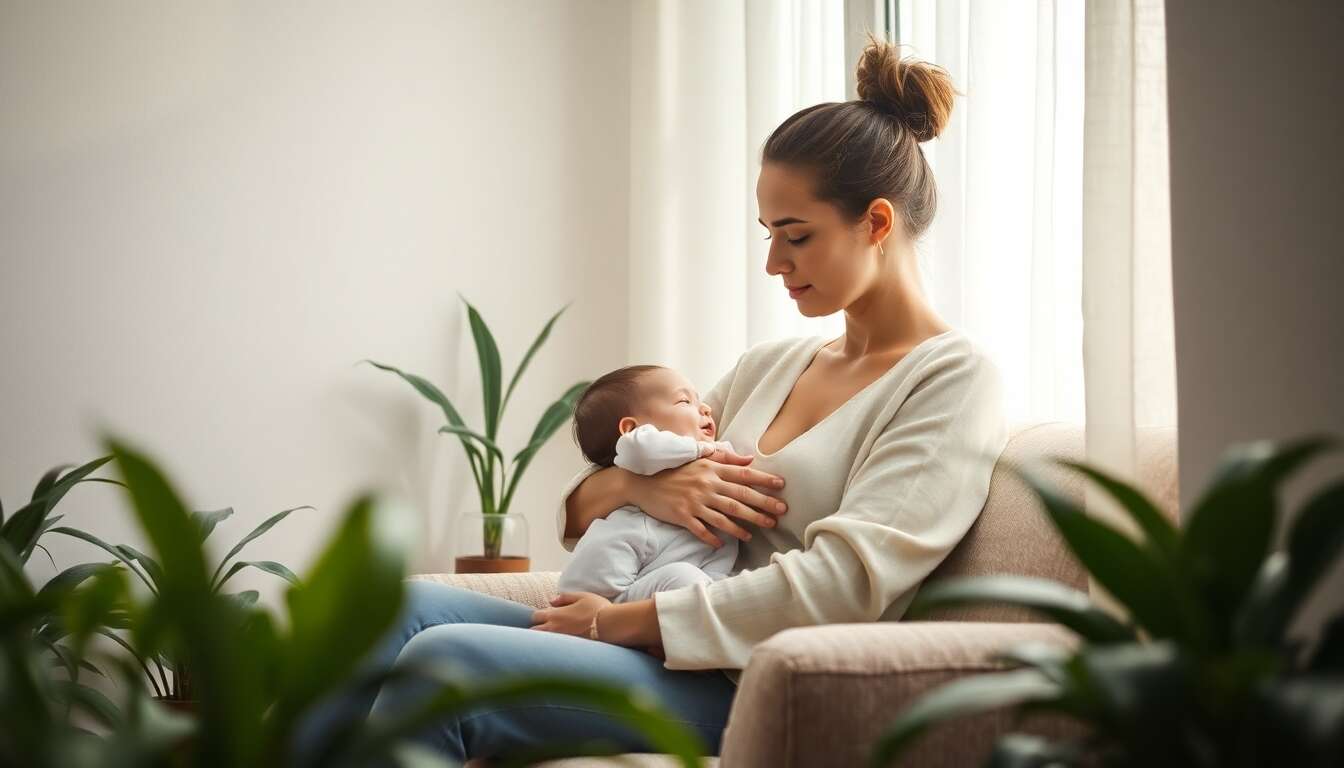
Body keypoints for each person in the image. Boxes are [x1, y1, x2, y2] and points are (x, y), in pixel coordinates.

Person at [296, 39, 1008, 763]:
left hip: (746, 678)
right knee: (392, 611)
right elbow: (581, 516)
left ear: (877, 224)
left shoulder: (949, 381)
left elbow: (844, 588)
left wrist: (619, 622)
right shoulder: (770, 366)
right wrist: (637, 484)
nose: (773, 264)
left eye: (796, 237)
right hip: (659, 642)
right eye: (768, 235)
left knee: (441, 665)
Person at [557, 364, 743, 606]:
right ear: (632, 429)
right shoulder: (640, 449)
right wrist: (701, 449)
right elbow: (639, 447)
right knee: (686, 579)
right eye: (685, 401)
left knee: (699, 583)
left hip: (658, 582)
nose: (706, 408)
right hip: (605, 589)